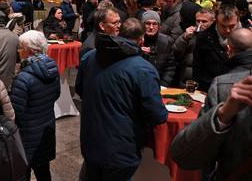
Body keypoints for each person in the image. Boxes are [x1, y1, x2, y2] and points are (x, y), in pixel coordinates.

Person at [76, 18, 168, 180]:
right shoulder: (143, 69)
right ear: (141, 41)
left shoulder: (90, 56)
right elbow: (157, 115)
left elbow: (80, 90)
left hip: (91, 142)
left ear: (119, 33)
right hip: (121, 149)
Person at [171, 28, 252, 180]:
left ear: (229, 49)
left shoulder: (225, 85)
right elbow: (183, 155)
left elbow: (183, 155)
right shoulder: (228, 87)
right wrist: (223, 114)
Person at [10, 31, 60, 181]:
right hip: (46, 129)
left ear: (30, 51)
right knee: (43, 171)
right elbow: (56, 95)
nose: (18, 51)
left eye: (20, 48)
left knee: (22, 172)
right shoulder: (52, 68)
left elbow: (16, 111)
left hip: (27, 135)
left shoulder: (23, 78)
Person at [193, 4, 239, 92]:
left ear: (238, 21)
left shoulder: (247, 37)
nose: (227, 30)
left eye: (231, 26)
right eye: (223, 26)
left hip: (237, 89)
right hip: (208, 88)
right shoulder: (204, 37)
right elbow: (197, 66)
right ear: (216, 22)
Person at [172, 8, 215, 87]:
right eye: (198, 21)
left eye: (204, 21)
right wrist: (184, 38)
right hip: (187, 81)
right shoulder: (190, 34)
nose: (200, 24)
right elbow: (174, 53)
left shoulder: (215, 37)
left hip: (207, 82)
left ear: (213, 21)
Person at [140, 10, 176, 86]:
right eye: (148, 23)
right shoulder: (137, 41)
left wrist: (163, 85)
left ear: (159, 26)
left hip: (159, 85)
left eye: (154, 24)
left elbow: (170, 67)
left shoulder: (165, 42)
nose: (151, 27)